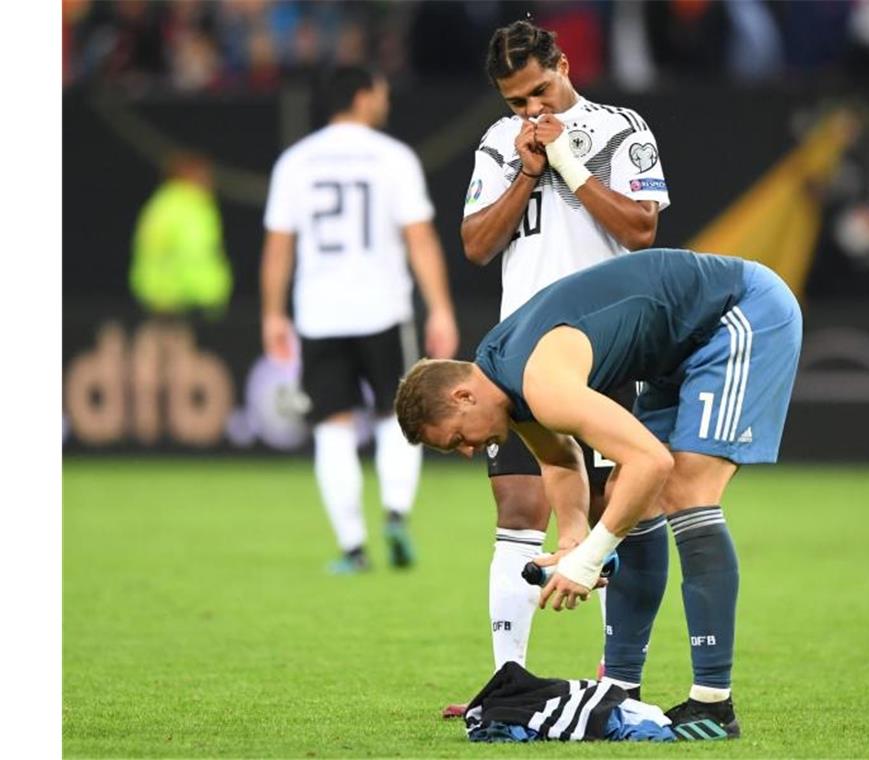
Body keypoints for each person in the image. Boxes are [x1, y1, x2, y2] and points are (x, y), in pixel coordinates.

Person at [395, 248, 803, 740]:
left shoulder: (538, 382)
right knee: (624, 495)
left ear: (463, 396)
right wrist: (572, 536)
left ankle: (714, 704)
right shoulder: (501, 374)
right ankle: (622, 693)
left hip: (738, 313)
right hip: (676, 349)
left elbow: (652, 462)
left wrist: (589, 559)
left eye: (457, 438)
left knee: (687, 489)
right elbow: (560, 458)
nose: (467, 452)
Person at [460, 19, 671, 696]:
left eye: (540, 91)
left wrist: (569, 163)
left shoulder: (620, 129)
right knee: (518, 510)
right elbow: (475, 243)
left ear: (564, 63)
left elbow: (641, 229)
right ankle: (505, 682)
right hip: (521, 352)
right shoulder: (499, 143)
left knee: (617, 510)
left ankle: (619, 684)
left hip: (603, 348)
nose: (531, 110)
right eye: (516, 101)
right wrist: (526, 170)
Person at [261, 65, 459, 574]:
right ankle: (395, 513)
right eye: (381, 90)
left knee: (332, 426)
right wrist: (439, 305)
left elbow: (279, 247)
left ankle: (353, 547)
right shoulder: (393, 158)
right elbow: (419, 239)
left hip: (319, 311)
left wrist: (272, 313)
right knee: (396, 417)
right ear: (363, 96)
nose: (386, 97)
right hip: (383, 309)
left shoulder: (295, 162)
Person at [130, 152, 231, 318]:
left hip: (170, 298)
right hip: (181, 303)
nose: (209, 180)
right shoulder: (184, 205)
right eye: (203, 174)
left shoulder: (166, 203)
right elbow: (192, 251)